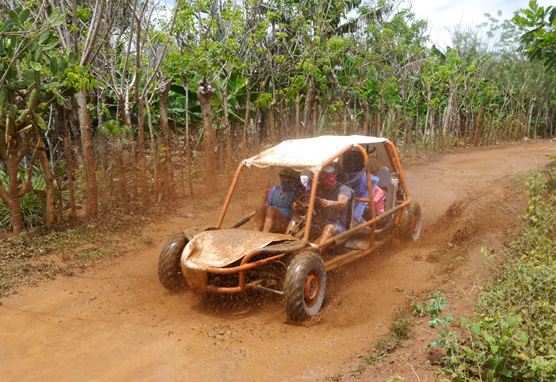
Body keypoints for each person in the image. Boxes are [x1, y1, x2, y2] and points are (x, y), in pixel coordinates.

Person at [253, 167, 305, 233]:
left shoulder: (298, 192)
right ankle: (255, 233)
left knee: (271, 210)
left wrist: (298, 206)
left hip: (286, 222)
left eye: (287, 178)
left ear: (294, 180)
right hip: (270, 218)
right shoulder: (274, 190)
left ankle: (265, 234)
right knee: (261, 207)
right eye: (282, 177)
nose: (284, 180)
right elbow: (266, 206)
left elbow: (302, 208)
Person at [312, 163, 351, 244]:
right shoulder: (317, 188)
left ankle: (316, 251)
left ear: (335, 174)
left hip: (337, 226)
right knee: (297, 218)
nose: (327, 177)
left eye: (330, 174)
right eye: (324, 175)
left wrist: (330, 203)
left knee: (329, 228)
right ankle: (288, 244)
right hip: (318, 223)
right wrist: (298, 205)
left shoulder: (343, 189)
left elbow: (342, 204)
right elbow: (308, 200)